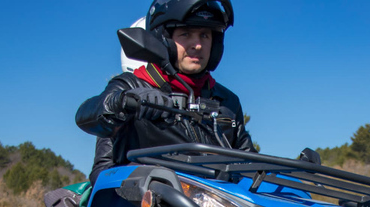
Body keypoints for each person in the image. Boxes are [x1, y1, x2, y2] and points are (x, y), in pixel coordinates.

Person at [76, 0, 255, 186]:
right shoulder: (130, 85)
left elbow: (250, 163)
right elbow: (88, 115)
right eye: (186, 34)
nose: (198, 45)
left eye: (204, 35)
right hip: (144, 206)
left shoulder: (227, 102)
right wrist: (124, 102)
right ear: (164, 40)